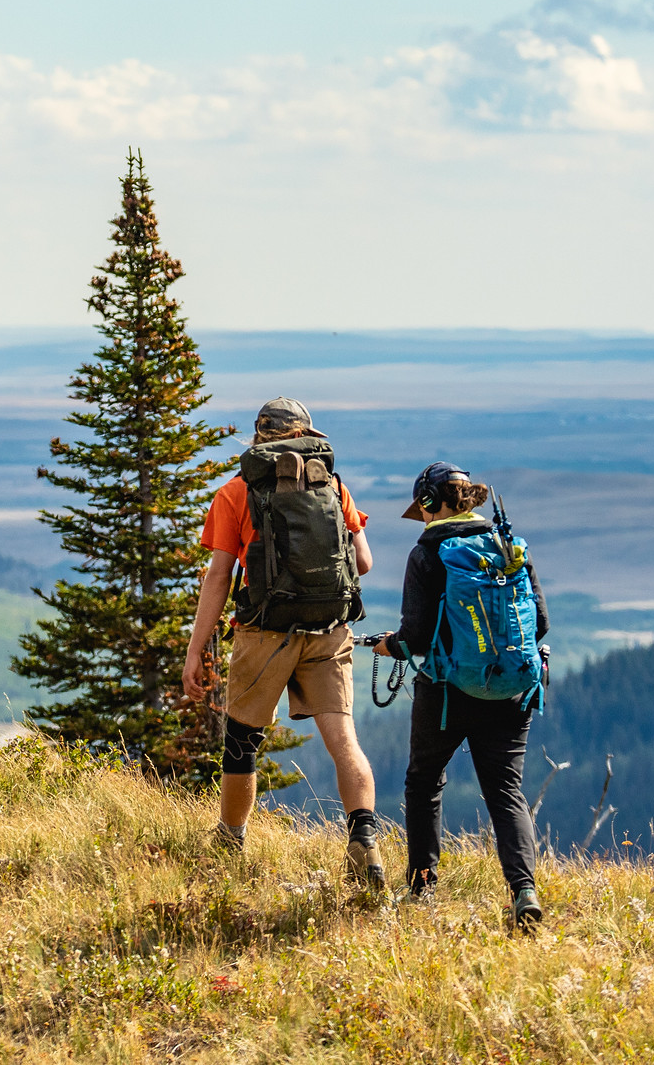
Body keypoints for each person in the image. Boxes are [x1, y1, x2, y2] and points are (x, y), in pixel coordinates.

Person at [183, 396, 385, 885]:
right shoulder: (333, 486)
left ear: (260, 435)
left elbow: (218, 577)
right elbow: (362, 564)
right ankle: (364, 839)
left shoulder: (235, 492)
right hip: (329, 629)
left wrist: (197, 648)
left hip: (264, 632)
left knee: (242, 741)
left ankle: (230, 839)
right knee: (343, 740)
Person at [373, 461, 549, 931]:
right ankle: (524, 890)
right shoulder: (508, 544)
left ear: (430, 503)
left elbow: (416, 637)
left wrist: (390, 645)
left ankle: (423, 884)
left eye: (423, 508)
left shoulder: (428, 554)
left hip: (448, 693)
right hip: (512, 690)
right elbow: (542, 625)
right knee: (506, 792)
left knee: (424, 780)